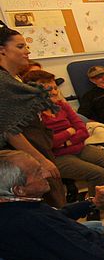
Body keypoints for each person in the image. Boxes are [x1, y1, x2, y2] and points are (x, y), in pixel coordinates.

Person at [31, 70, 104, 194]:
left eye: (55, 88)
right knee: (99, 173)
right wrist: (69, 132)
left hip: (79, 148)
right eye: (49, 90)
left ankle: (97, 197)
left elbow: (83, 130)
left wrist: (66, 141)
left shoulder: (62, 106)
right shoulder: (33, 114)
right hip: (56, 156)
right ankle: (93, 205)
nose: (54, 92)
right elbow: (48, 142)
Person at [0, 26, 66, 206]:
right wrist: (41, 160)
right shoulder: (3, 84)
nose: (27, 51)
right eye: (20, 47)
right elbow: (10, 131)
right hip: (26, 159)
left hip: (38, 147)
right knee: (49, 203)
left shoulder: (15, 80)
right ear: (2, 51)